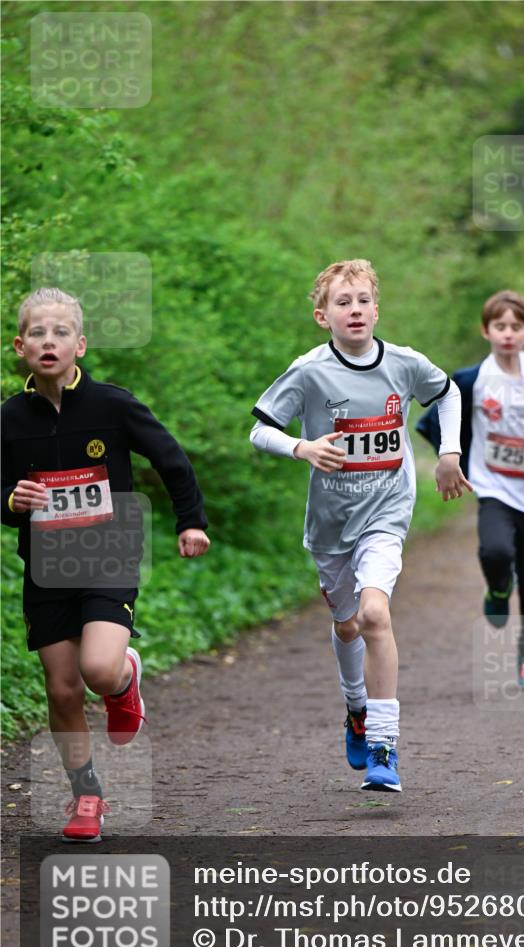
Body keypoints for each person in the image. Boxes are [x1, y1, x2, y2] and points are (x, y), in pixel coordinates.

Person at [250, 259, 470, 792]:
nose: (355, 310)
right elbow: (260, 430)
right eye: (342, 302)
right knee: (347, 625)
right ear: (322, 316)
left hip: (387, 512)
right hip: (331, 524)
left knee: (375, 615)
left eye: (363, 301)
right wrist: (302, 447)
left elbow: (448, 393)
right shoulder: (309, 371)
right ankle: (356, 708)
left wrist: (449, 452)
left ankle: (383, 746)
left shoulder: (404, 363)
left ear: (377, 310)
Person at [2, 288, 210, 842]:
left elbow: (170, 459)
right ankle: (86, 794)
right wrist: (10, 500)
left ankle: (124, 678)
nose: (49, 342)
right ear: (21, 347)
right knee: (62, 690)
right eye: (38, 333)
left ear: (81, 345)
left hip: (108, 555)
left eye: (61, 332)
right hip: (46, 566)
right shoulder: (9, 419)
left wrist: (191, 521)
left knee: (97, 670)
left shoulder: (112, 406)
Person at [417, 290, 524, 689]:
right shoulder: (470, 379)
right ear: (486, 330)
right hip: (493, 486)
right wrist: (450, 459)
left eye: (516, 327)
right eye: (500, 326)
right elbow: (435, 422)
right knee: (495, 551)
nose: (508, 333)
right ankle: (498, 586)